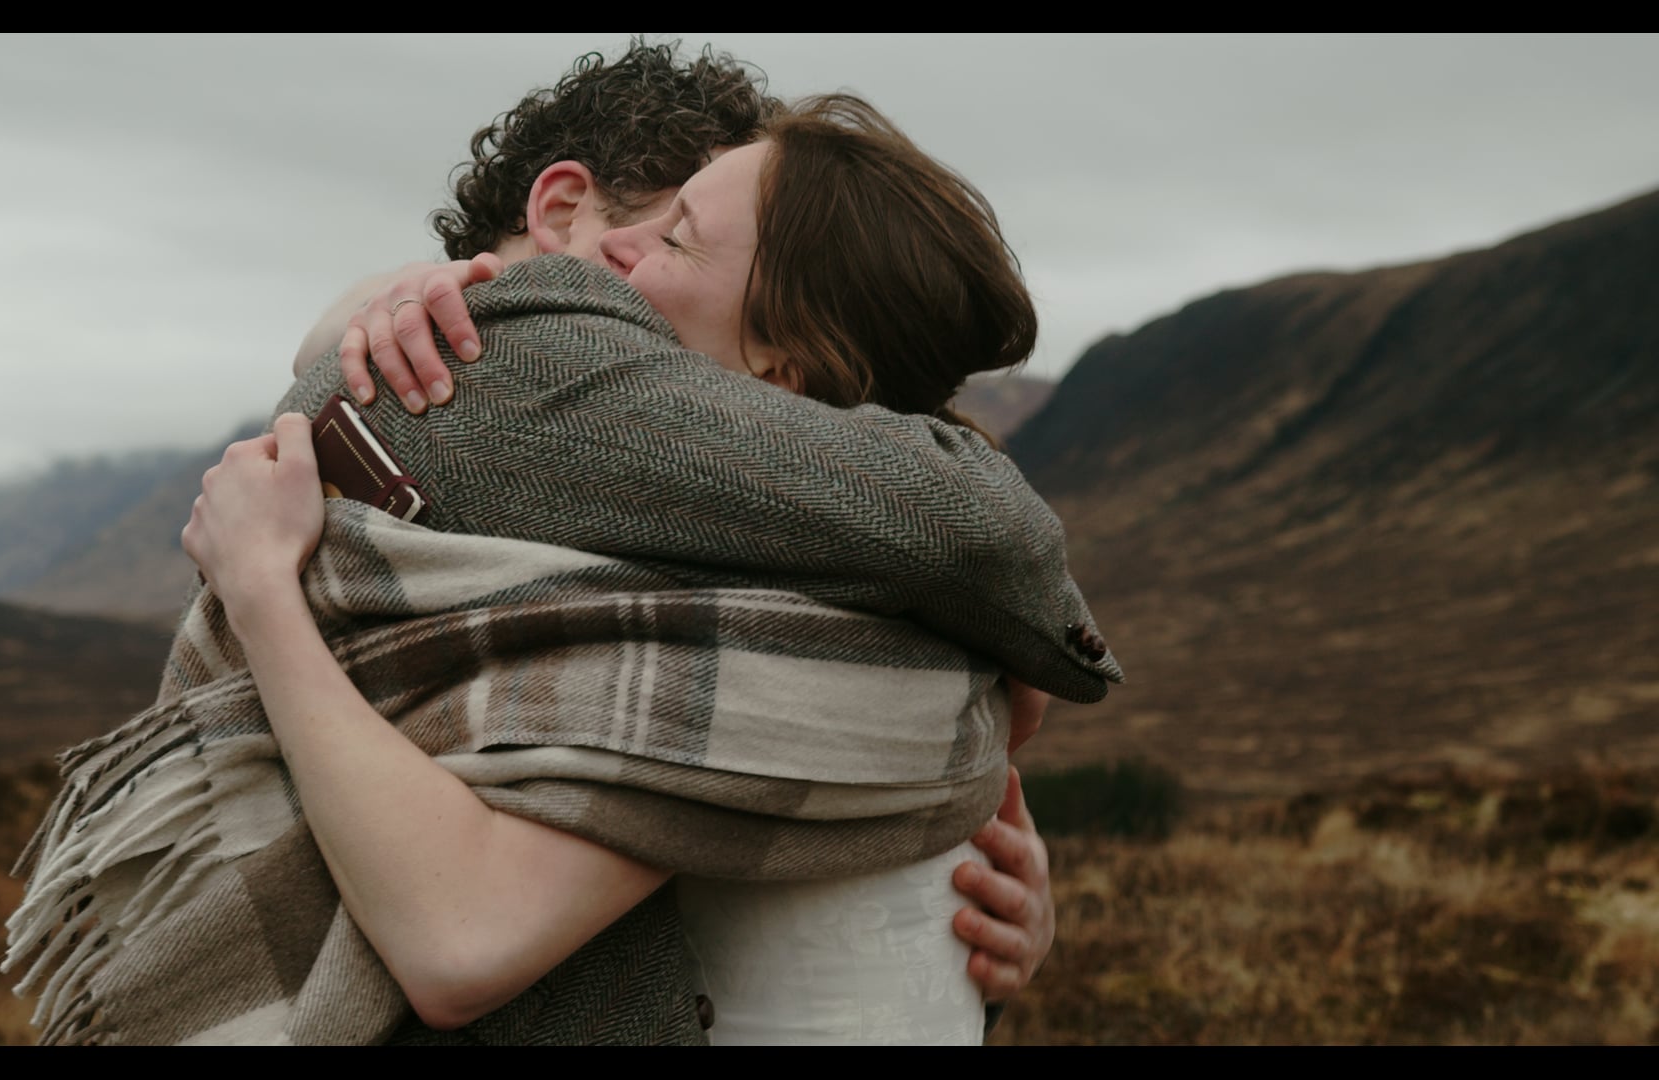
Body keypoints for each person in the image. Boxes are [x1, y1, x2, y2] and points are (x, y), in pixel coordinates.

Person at [177, 96, 1113, 1043]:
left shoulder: (757, 609)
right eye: (653, 223)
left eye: (682, 236)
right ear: (559, 210)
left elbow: (461, 941)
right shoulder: (830, 581)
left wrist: (262, 589)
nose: (627, 263)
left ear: (780, 374)